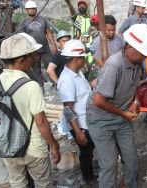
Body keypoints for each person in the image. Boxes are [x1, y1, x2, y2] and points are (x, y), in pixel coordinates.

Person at [86, 24, 147, 188]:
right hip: (101, 119)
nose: (145, 58)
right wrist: (123, 113)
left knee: (131, 159)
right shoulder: (114, 65)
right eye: (143, 54)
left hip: (121, 115)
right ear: (130, 48)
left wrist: (136, 101)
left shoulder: (137, 63)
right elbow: (99, 101)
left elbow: (134, 85)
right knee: (109, 164)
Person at [0, 33, 60, 187]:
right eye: (32, 55)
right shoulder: (30, 86)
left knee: (17, 183)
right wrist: (53, 145)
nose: (36, 57)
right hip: (33, 149)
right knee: (43, 183)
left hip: (6, 146)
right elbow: (41, 122)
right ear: (21, 60)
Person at [57, 40, 96, 186]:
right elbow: (68, 109)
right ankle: (88, 177)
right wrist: (78, 131)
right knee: (86, 151)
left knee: (89, 149)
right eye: (83, 57)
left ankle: (89, 175)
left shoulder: (77, 73)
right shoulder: (67, 80)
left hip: (87, 120)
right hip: (80, 124)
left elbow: (85, 91)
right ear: (76, 59)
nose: (85, 60)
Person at [19, 0, 57, 87]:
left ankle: (55, 84)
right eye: (30, 9)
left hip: (45, 49)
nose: (32, 10)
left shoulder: (42, 19)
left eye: (33, 8)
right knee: (36, 69)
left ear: (36, 9)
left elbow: (48, 32)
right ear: (26, 10)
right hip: (32, 51)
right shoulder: (24, 22)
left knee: (50, 67)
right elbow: (22, 36)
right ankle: (40, 86)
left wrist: (53, 45)